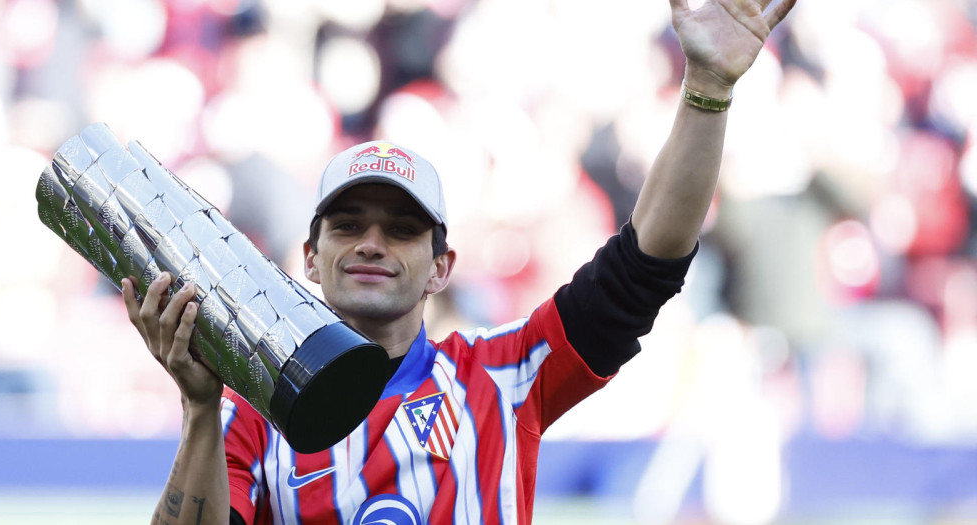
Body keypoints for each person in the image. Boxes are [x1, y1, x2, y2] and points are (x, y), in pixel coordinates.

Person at [121, 0, 797, 522]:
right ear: (309, 256)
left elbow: (644, 267)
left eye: (402, 230)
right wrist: (200, 409)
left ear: (443, 266)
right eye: (348, 225)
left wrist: (708, 87)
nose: (372, 243)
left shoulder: (507, 377)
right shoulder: (251, 412)